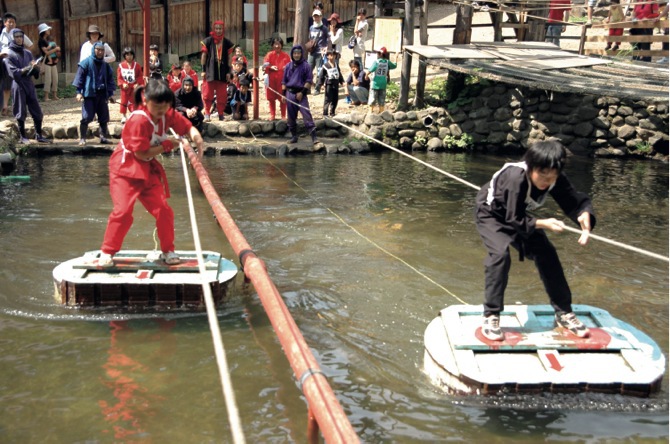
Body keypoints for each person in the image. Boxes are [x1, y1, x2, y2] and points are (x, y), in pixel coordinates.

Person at [474, 141, 595, 341]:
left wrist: (583, 213)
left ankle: (564, 312)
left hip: (518, 215)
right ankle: (491, 315)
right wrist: (543, 223)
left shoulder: (555, 177)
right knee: (500, 255)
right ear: (530, 167)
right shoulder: (516, 178)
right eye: (542, 174)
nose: (547, 181)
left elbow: (573, 200)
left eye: (552, 175)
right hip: (492, 214)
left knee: (547, 253)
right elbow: (512, 219)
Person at [97, 80, 206, 268]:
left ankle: (168, 250)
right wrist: (167, 145)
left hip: (147, 169)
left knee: (163, 210)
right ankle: (107, 251)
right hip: (125, 169)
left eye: (165, 106)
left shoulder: (167, 114)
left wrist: (198, 139)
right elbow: (140, 153)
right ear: (145, 100)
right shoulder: (139, 120)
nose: (161, 111)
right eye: (156, 106)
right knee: (122, 211)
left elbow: (187, 127)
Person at [3, 28, 49, 144]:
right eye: (17, 37)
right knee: (20, 111)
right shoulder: (8, 55)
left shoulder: (28, 53)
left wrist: (36, 68)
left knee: (37, 110)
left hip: (29, 83)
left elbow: (33, 70)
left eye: (21, 37)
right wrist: (27, 68)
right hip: (18, 85)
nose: (19, 39)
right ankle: (22, 137)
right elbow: (14, 73)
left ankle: (39, 135)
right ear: (13, 38)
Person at [73, 41, 116, 146]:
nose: (100, 52)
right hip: (89, 94)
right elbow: (80, 78)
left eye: (102, 50)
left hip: (102, 95)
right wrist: (79, 92)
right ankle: (82, 138)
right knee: (87, 117)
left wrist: (110, 94)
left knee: (104, 117)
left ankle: (103, 137)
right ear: (94, 50)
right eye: (98, 50)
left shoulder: (106, 66)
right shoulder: (85, 63)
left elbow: (110, 80)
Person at [282, 45, 318, 145]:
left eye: (298, 53)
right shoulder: (288, 66)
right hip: (290, 94)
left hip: (301, 93)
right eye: (295, 53)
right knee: (291, 116)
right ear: (292, 54)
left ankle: (314, 137)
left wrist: (302, 93)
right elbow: (284, 82)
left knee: (306, 114)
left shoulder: (306, 66)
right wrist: (283, 94)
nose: (296, 55)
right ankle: (294, 136)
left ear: (301, 54)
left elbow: (308, 81)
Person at [200, 20, 235, 122]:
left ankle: (220, 114)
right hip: (210, 71)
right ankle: (207, 114)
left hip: (223, 72)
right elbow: (204, 55)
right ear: (213, 29)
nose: (218, 31)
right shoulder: (208, 41)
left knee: (222, 95)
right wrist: (203, 70)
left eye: (220, 28)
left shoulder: (227, 43)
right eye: (217, 28)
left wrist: (229, 71)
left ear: (223, 29)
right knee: (207, 95)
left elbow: (229, 58)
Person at [0, 13, 33, 116]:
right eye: (9, 22)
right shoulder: (1, 35)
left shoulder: (18, 34)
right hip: (4, 62)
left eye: (13, 22)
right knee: (5, 85)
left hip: (17, 63)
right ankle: (4, 107)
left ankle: (18, 107)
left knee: (18, 84)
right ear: (5, 23)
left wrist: (23, 55)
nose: (11, 24)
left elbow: (30, 45)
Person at [262, 36, 291, 120]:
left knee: (283, 97)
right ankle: (272, 115)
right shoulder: (269, 55)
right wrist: (271, 67)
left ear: (281, 45)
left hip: (282, 80)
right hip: (271, 79)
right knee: (271, 98)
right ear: (272, 45)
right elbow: (264, 65)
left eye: (278, 44)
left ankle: (283, 115)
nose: (277, 46)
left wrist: (287, 67)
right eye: (275, 44)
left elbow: (290, 67)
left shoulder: (285, 56)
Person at [365, 47, 397, 114]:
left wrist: (366, 75)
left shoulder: (376, 62)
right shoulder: (387, 62)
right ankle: (381, 111)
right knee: (382, 98)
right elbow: (394, 66)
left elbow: (371, 70)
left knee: (372, 97)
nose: (377, 54)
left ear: (381, 54)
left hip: (375, 83)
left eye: (378, 53)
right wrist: (396, 57)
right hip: (383, 83)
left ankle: (370, 111)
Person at [117, 47, 144, 124]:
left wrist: (137, 83)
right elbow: (119, 77)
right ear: (124, 56)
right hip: (125, 87)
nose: (129, 56)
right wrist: (122, 83)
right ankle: (123, 116)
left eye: (131, 54)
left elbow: (140, 76)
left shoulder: (137, 65)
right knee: (124, 101)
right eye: (127, 55)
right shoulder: (121, 66)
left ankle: (133, 114)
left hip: (133, 86)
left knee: (134, 101)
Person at [307, 9, 329, 95]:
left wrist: (326, 47)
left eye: (317, 16)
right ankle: (307, 88)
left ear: (321, 17)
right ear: (313, 17)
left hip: (320, 53)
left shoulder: (324, 28)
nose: (316, 18)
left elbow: (329, 39)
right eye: (314, 16)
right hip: (312, 52)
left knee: (319, 71)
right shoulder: (311, 27)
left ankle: (317, 88)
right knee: (308, 70)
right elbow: (310, 38)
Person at [38, 23, 60, 101]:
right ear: (43, 31)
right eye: (47, 29)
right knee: (48, 79)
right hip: (46, 62)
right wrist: (56, 49)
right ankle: (46, 96)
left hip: (53, 61)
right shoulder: (41, 41)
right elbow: (46, 53)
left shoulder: (47, 40)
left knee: (55, 78)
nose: (49, 30)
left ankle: (54, 95)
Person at [318, 49, 344, 117]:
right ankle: (325, 113)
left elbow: (339, 74)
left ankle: (332, 112)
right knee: (327, 99)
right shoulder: (325, 66)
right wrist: (321, 84)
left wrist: (342, 82)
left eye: (334, 55)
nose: (333, 57)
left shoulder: (336, 64)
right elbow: (321, 76)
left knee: (335, 99)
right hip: (329, 84)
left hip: (336, 83)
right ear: (328, 56)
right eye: (331, 55)